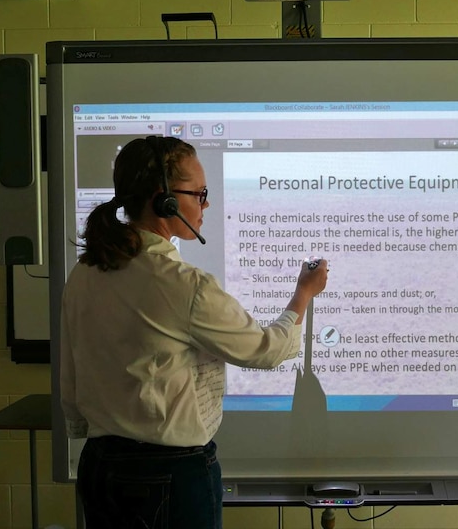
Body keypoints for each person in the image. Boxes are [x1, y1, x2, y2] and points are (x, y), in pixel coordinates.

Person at [60, 135, 328, 529]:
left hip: (100, 465)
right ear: (163, 200)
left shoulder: (85, 271)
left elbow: (71, 368)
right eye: (199, 194)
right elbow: (265, 350)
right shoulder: (182, 284)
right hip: (167, 473)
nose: (206, 204)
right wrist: (303, 295)